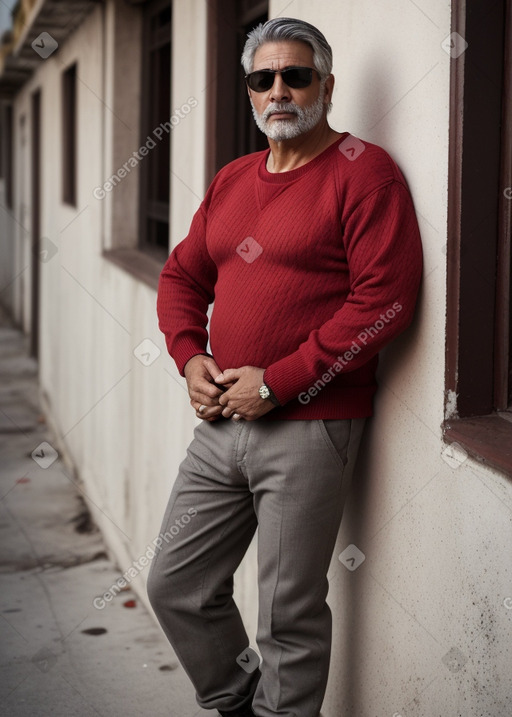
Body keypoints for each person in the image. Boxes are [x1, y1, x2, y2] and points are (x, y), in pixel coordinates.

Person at [147, 17, 422, 717]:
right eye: (262, 78)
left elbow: (385, 301)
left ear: (326, 86)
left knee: (288, 615)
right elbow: (181, 277)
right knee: (177, 584)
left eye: (296, 75)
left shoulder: (367, 174)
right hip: (219, 424)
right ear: (249, 93)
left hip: (311, 425)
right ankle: (239, 706)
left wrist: (278, 380)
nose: (279, 90)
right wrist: (190, 357)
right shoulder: (234, 179)